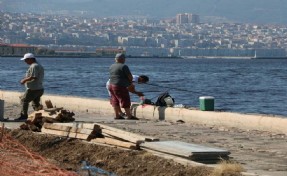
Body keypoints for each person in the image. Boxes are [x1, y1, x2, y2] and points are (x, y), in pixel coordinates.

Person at [108, 53, 144, 120]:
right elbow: (130, 77)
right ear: (121, 59)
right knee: (125, 99)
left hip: (110, 85)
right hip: (119, 86)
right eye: (124, 58)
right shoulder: (124, 66)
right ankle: (129, 116)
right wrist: (129, 82)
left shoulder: (111, 66)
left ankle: (117, 115)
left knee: (115, 101)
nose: (125, 60)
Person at [15, 53, 44, 121]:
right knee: (35, 103)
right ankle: (40, 116)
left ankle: (24, 116)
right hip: (39, 88)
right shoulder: (38, 65)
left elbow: (34, 77)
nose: (25, 62)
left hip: (33, 89)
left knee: (24, 100)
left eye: (26, 60)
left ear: (30, 59)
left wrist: (24, 80)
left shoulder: (34, 66)